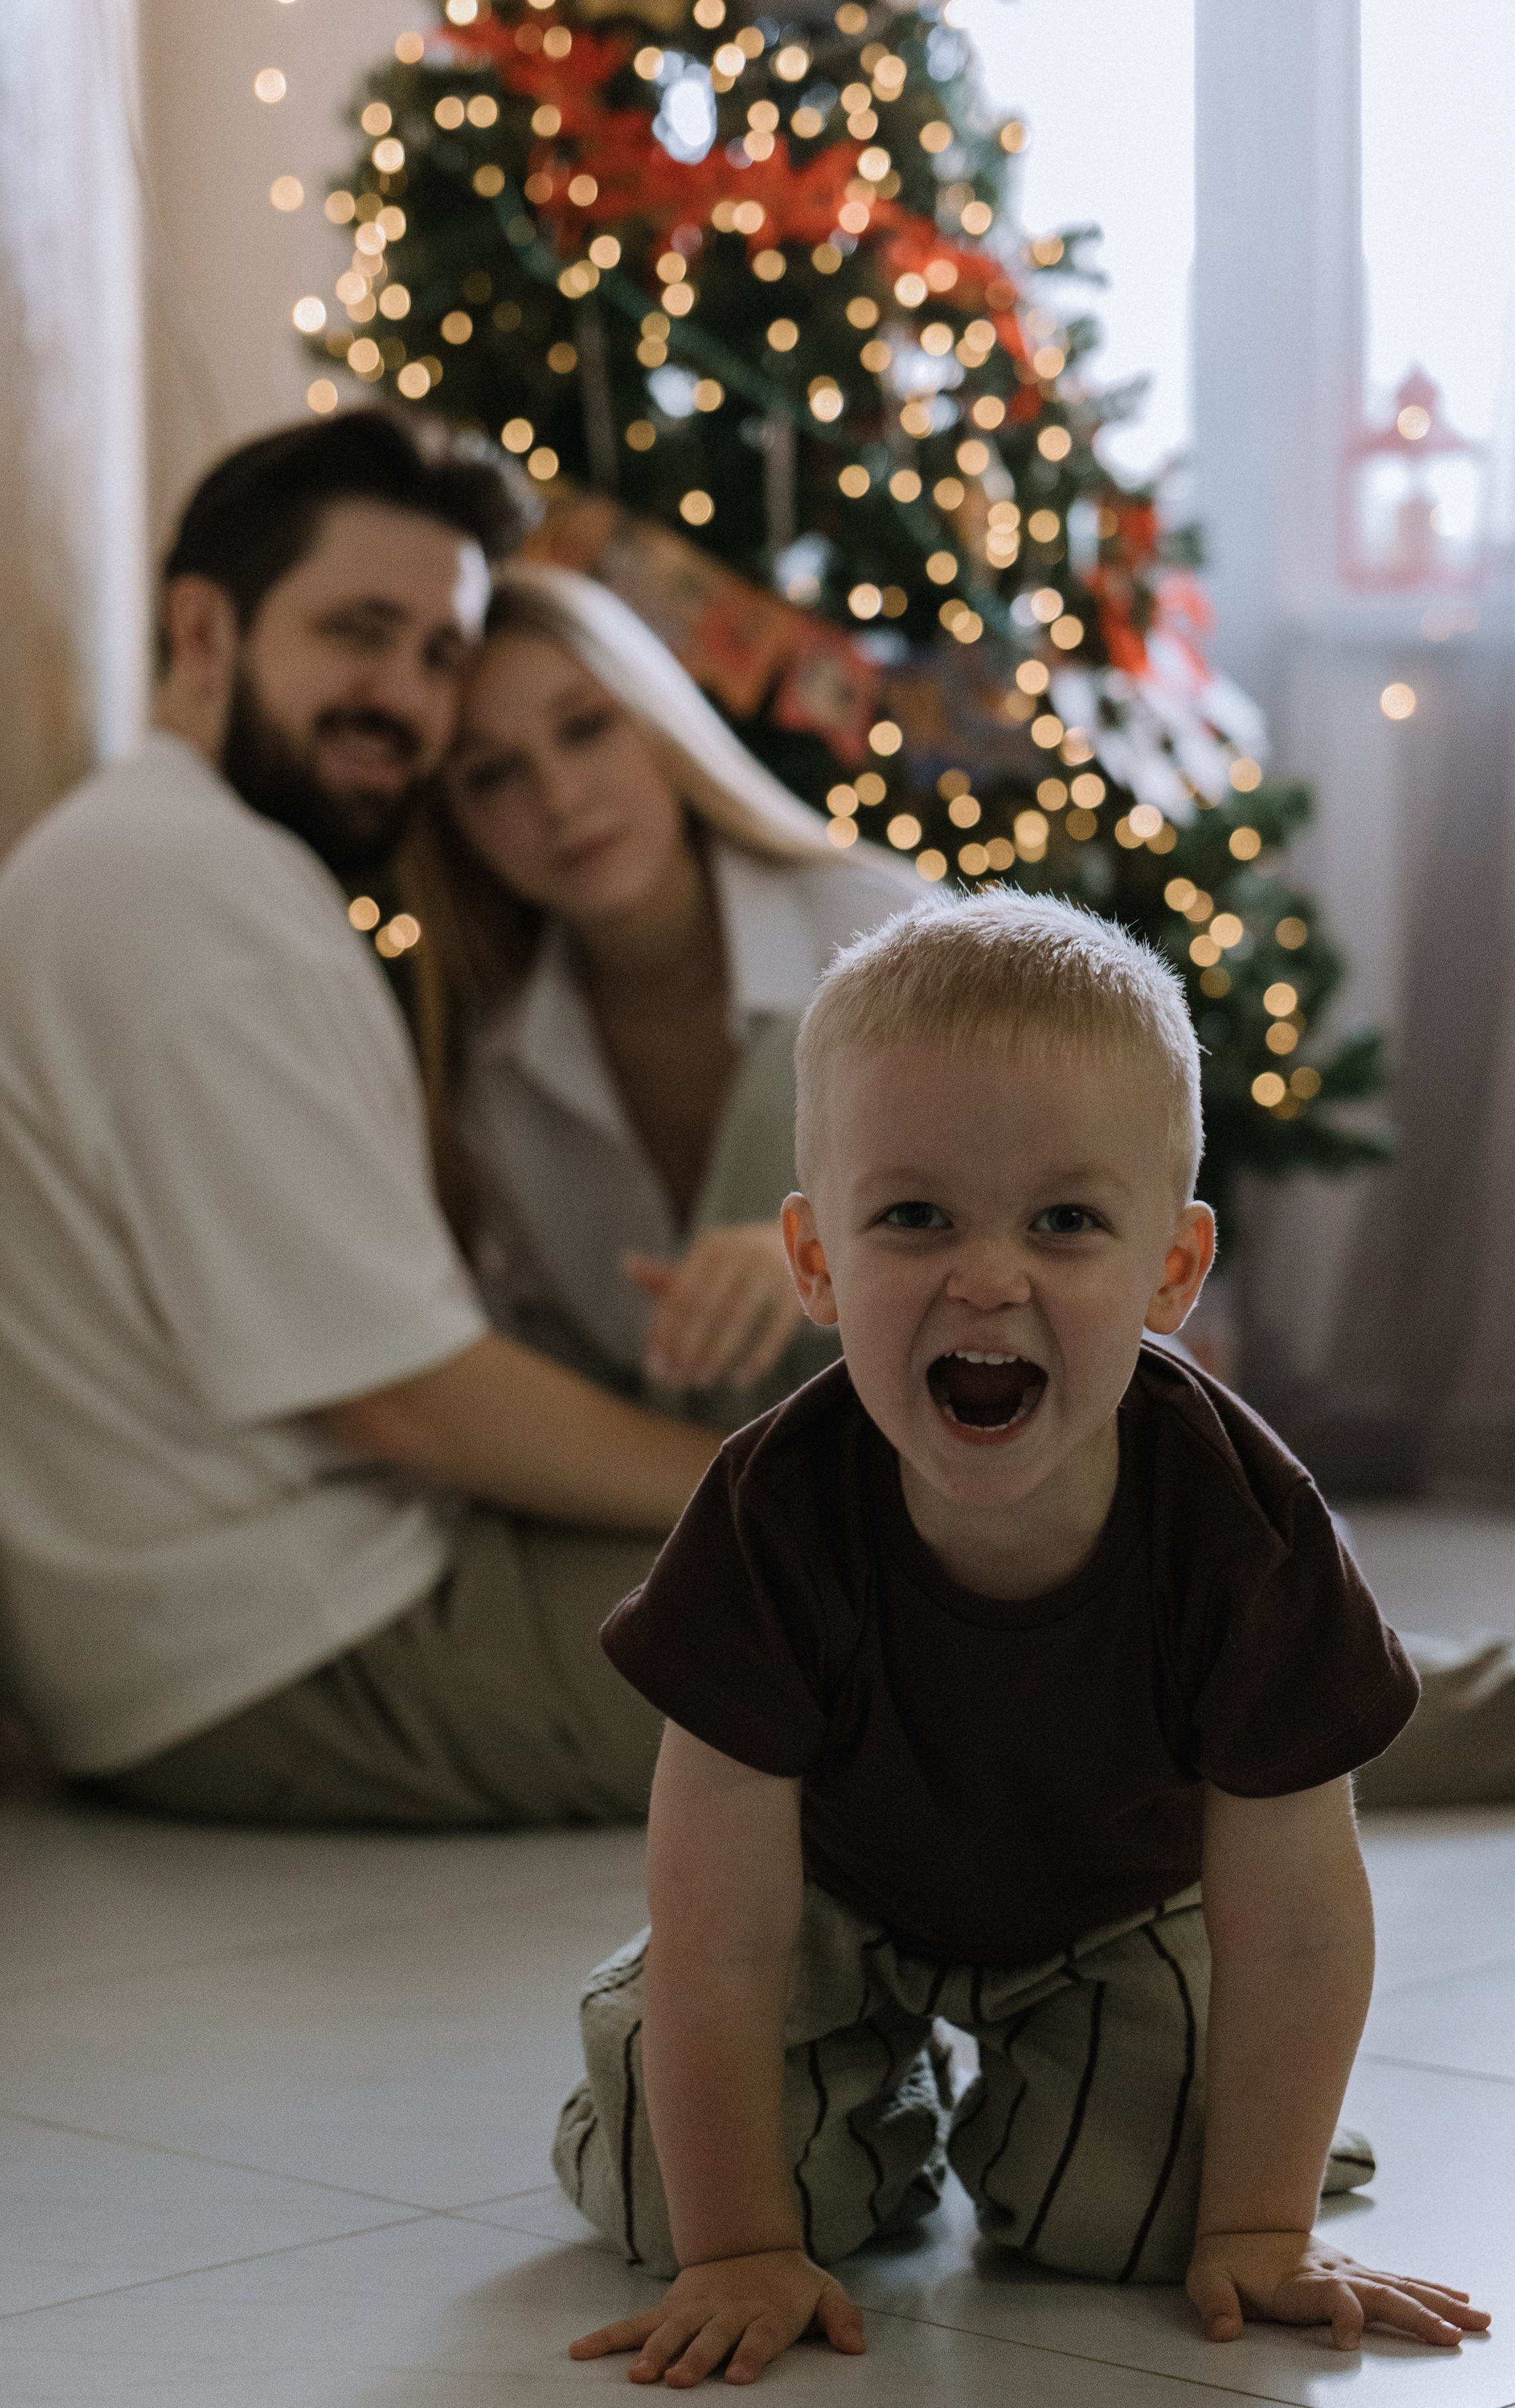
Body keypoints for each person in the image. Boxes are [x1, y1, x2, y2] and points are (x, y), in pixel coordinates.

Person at [554, 892, 1491, 2386]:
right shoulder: (770, 1517)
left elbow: (1300, 1921)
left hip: (1119, 1917)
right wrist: (740, 2246)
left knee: (1131, 2227)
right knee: (686, 2194)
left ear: (1169, 1276)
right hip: (825, 1915)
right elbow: (728, 1929)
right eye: (913, 1215)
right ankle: (832, 2090)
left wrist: (1258, 2220)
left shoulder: (1243, 1529)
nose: (985, 1277)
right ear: (812, 1259)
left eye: (1062, 1222)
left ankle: (1169, 2115)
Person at [0, 409, 736, 1828]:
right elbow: (399, 1398)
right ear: (203, 629)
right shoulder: (196, 904)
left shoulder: (175, 863)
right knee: (885, 1625)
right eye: (356, 632)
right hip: (289, 1650)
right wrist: (771, 1490)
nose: (405, 702)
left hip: (231, 1625)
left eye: (436, 656)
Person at [398, 564, 921, 1431]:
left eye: (587, 728)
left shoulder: (897, 940)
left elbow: (1060, 1227)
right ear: (456, 821)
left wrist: (836, 1255)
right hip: (685, 1524)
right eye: (492, 774)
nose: (559, 799)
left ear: (657, 717)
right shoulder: (492, 1082)